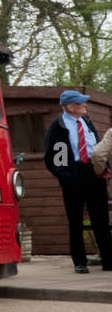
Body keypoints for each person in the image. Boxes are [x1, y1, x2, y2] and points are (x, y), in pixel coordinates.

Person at [43, 89, 112, 273]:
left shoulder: (86, 122)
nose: (85, 106)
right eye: (81, 103)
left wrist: (105, 168)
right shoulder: (59, 126)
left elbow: (97, 148)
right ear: (71, 107)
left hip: (94, 173)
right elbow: (55, 158)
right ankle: (80, 262)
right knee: (75, 222)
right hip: (74, 175)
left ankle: (108, 259)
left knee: (101, 220)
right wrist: (66, 178)